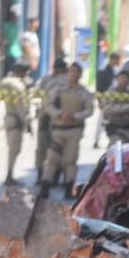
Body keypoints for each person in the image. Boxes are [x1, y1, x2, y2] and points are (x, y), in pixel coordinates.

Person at [41, 62, 93, 199]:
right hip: (58, 128)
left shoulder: (83, 92)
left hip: (74, 130)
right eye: (71, 71)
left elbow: (89, 109)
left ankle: (69, 187)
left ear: (80, 74)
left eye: (76, 71)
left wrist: (75, 116)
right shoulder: (58, 90)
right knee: (52, 159)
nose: (73, 74)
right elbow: (47, 105)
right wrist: (59, 114)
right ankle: (45, 186)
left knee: (70, 160)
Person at [33, 58, 69, 180]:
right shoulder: (46, 79)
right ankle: (42, 174)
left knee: (57, 148)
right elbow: (37, 94)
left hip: (57, 119)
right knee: (44, 147)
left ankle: (53, 175)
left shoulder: (65, 81)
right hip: (47, 117)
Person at [0, 62, 31, 186]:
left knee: (11, 147)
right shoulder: (19, 86)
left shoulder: (5, 82)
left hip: (8, 116)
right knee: (15, 149)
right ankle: (9, 175)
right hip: (16, 119)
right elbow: (21, 107)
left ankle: (9, 174)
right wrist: (27, 123)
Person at [93, 51, 122, 149]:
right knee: (101, 120)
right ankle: (96, 140)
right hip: (106, 99)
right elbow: (99, 87)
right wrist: (100, 101)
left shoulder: (117, 71)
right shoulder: (103, 71)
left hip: (115, 100)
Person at [102, 70, 129, 144]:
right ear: (117, 79)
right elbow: (108, 110)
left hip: (128, 129)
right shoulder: (110, 93)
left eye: (126, 78)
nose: (124, 80)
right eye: (122, 78)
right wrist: (127, 108)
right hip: (114, 128)